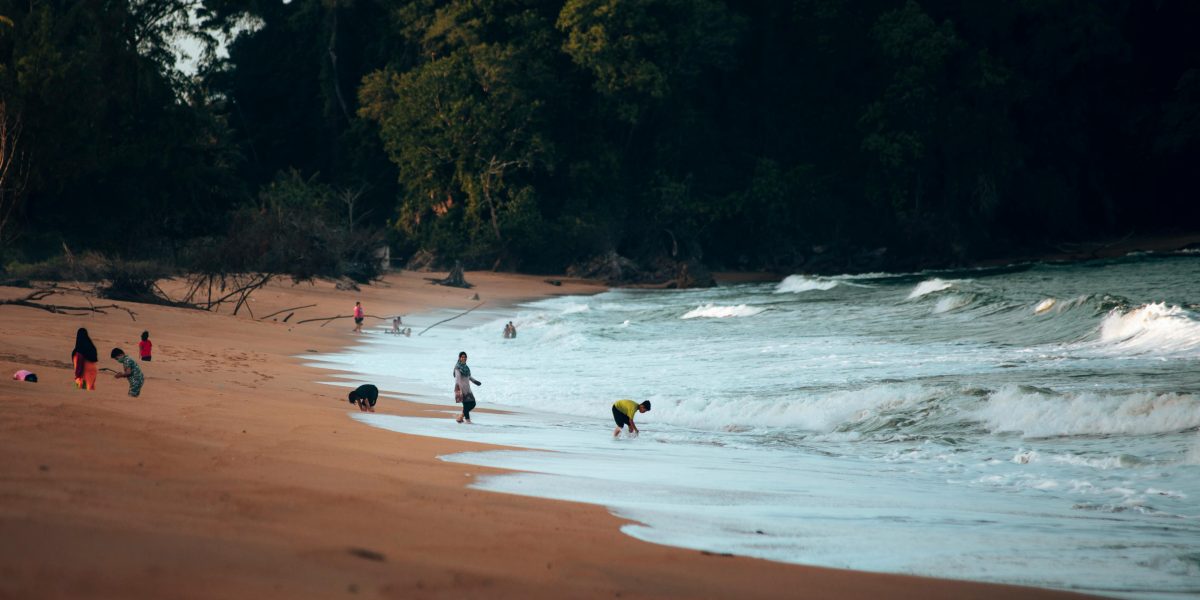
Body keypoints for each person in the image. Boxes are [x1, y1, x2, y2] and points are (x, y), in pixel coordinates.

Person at [453, 351, 482, 423]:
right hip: (461, 389)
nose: (464, 358)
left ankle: (460, 417)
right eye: (462, 357)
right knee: (466, 405)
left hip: (468, 389)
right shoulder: (457, 368)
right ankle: (468, 420)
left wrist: (475, 381)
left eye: (465, 357)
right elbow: (458, 379)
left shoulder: (466, 368)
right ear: (459, 358)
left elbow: (468, 376)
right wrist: (460, 390)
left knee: (473, 403)